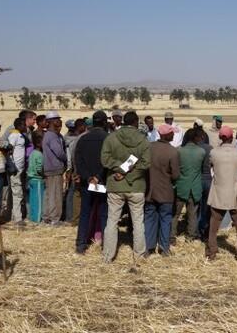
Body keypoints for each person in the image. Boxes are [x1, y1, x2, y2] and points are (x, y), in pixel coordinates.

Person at [101, 111, 151, 262]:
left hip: (115, 185)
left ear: (123, 121)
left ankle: (108, 256)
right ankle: (139, 255)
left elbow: (104, 159)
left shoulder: (111, 137)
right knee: (138, 222)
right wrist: (129, 174)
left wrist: (120, 170)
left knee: (112, 221)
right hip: (136, 187)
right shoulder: (143, 140)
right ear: (136, 122)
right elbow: (146, 163)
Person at [205, 126, 237, 261]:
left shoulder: (214, 153)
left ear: (220, 137)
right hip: (234, 195)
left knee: (213, 226)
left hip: (218, 194)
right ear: (231, 137)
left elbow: (210, 166)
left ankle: (212, 251)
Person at [74, 111, 110, 254]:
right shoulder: (108, 139)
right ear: (104, 123)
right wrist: (97, 177)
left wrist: (88, 177)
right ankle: (106, 245)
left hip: (86, 183)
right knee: (104, 213)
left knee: (85, 213)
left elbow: (79, 161)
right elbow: (108, 162)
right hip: (102, 182)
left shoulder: (82, 139)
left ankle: (81, 244)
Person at [144, 124, 180, 256]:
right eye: (172, 133)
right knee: (165, 220)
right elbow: (176, 175)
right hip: (166, 192)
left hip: (150, 190)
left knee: (149, 219)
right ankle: (164, 248)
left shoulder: (149, 148)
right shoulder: (173, 152)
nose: (173, 135)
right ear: (166, 135)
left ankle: (148, 247)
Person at [171, 129, 204, 244]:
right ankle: (190, 236)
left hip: (180, 186)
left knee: (175, 214)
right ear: (195, 138)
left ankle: (171, 237)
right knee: (192, 214)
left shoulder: (179, 151)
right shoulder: (201, 152)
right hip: (195, 187)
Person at [42, 111, 67, 225]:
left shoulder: (49, 135)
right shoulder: (52, 136)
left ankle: (47, 216)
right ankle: (55, 219)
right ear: (51, 122)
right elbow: (59, 153)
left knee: (49, 193)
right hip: (55, 168)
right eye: (57, 119)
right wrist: (66, 159)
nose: (59, 121)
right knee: (56, 195)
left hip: (49, 168)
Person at [62, 118, 86, 223]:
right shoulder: (76, 140)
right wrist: (69, 170)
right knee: (73, 193)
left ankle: (71, 217)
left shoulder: (67, 139)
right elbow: (71, 157)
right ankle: (71, 217)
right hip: (75, 170)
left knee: (72, 193)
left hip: (73, 169)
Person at [7, 117, 28, 227]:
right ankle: (17, 219)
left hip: (20, 169)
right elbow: (9, 152)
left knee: (18, 192)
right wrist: (12, 166)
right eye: (24, 125)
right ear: (19, 125)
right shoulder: (14, 136)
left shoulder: (20, 135)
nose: (26, 127)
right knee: (17, 193)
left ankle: (15, 215)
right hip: (15, 170)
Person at [196, 129, 213, 240]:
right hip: (208, 180)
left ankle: (197, 230)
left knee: (197, 207)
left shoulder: (196, 148)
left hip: (197, 179)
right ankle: (205, 229)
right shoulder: (210, 148)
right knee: (206, 207)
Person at [26, 132, 45, 223]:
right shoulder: (39, 155)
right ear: (39, 144)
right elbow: (39, 169)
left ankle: (32, 217)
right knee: (38, 201)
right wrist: (44, 175)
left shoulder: (32, 153)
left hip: (31, 179)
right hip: (37, 180)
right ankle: (37, 219)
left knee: (32, 200)